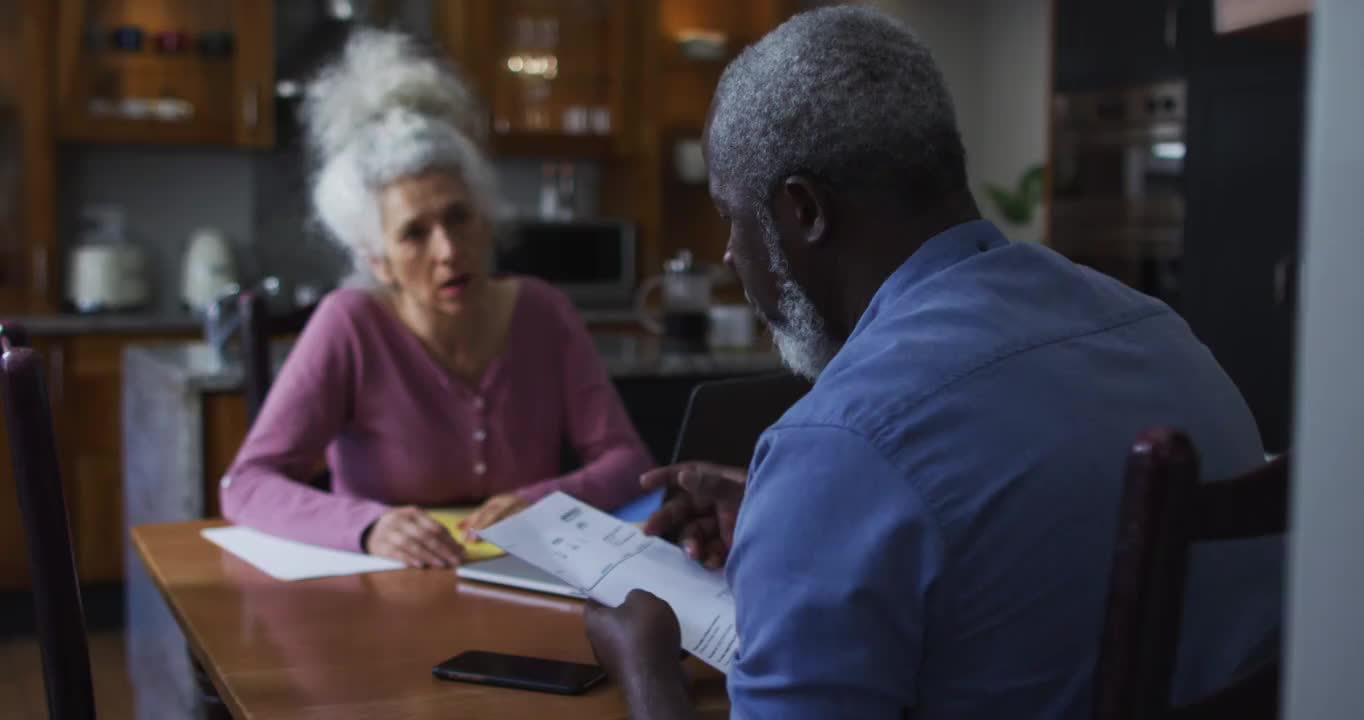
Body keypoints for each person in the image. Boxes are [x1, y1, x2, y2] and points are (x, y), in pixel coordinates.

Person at [584, 7, 1281, 719]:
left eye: (732, 214)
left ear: (803, 211)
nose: (730, 253)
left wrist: (646, 670)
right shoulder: (1158, 330)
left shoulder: (842, 444)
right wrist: (793, 517)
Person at [220, 30, 652, 567]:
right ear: (376, 259)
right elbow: (247, 484)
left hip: (523, 580)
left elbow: (627, 460)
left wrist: (540, 505)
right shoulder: (351, 323)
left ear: (485, 217)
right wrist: (369, 525)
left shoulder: (543, 313)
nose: (448, 250)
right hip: (383, 592)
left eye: (458, 217)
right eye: (413, 234)